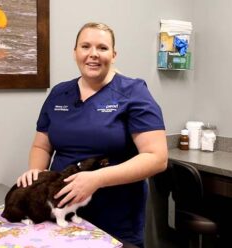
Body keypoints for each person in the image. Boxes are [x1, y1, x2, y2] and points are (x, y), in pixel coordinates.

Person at [17, 22, 168, 248]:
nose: (93, 54)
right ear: (75, 52)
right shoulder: (59, 93)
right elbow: (42, 146)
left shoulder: (133, 92)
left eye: (102, 48)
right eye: (85, 46)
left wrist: (96, 179)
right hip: (61, 213)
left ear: (114, 55)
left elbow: (157, 157)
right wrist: (36, 173)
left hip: (116, 216)